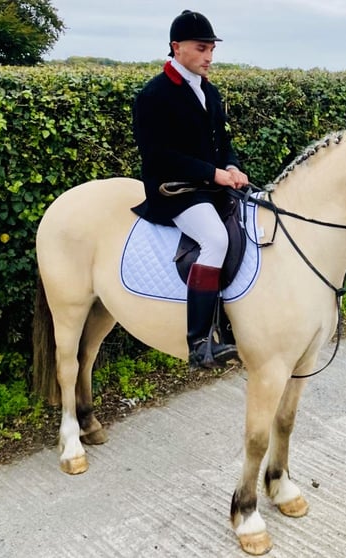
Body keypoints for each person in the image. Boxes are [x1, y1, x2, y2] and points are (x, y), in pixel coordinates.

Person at [131, 9, 248, 371]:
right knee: (215, 239)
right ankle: (199, 342)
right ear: (176, 47)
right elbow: (158, 155)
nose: (209, 57)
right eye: (201, 48)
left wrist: (232, 167)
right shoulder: (153, 95)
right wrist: (213, 174)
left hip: (210, 187)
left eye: (212, 49)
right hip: (173, 190)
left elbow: (223, 142)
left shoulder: (209, 91)